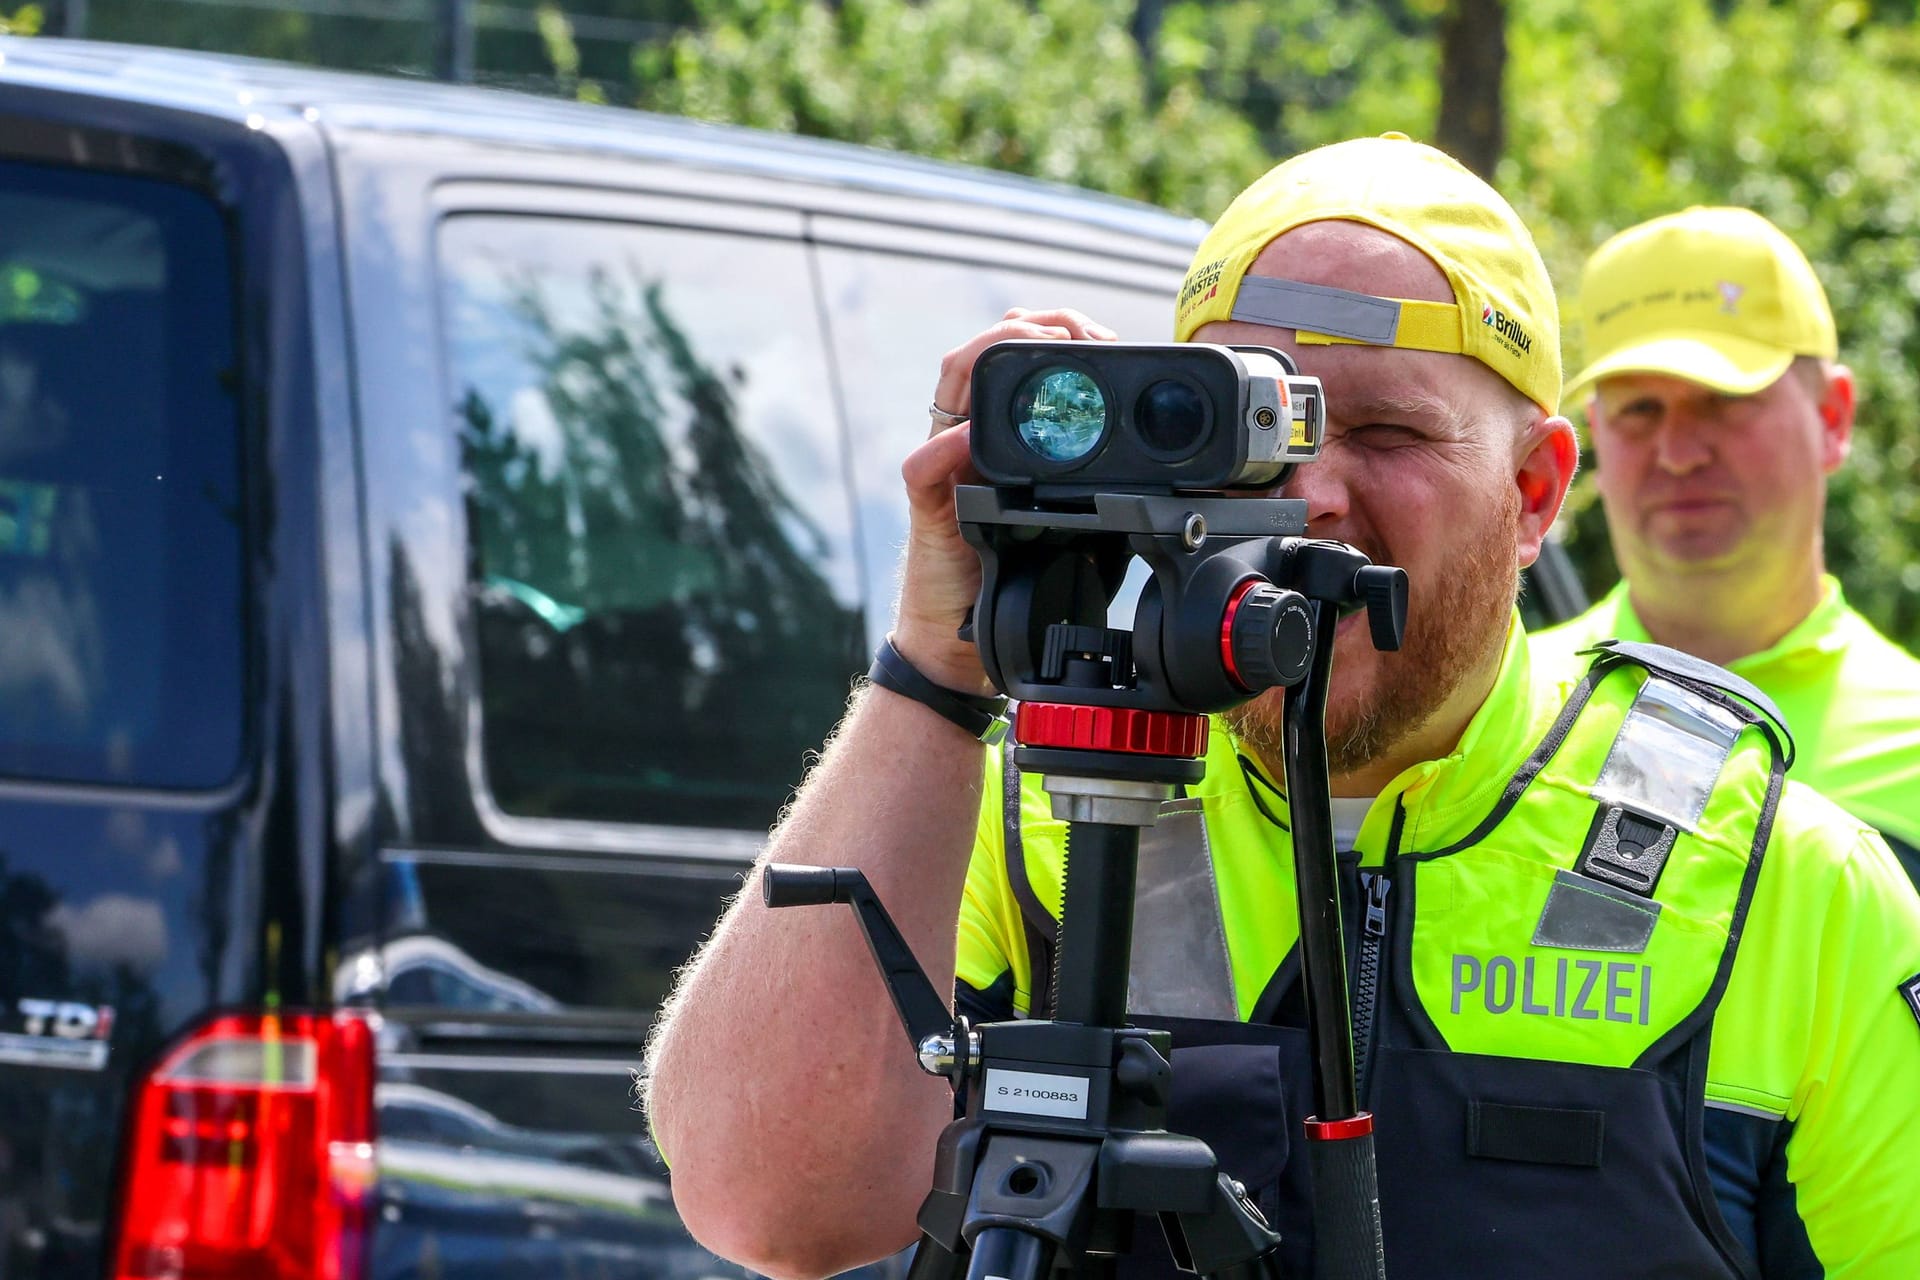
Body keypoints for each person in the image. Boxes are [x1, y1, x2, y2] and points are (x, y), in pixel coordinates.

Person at [642, 137, 1920, 1279]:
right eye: (1255, 422)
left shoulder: (1784, 884)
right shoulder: (1047, 799)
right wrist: (939, 659)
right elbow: (766, 1202)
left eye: (1386, 432)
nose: (1310, 491)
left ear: (1535, 494)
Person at [1533, 207, 1920, 884]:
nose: (1679, 453)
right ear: (1592, 433)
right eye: (1640, 411)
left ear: (1832, 418)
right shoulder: (1500, 712)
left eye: (1723, 401)